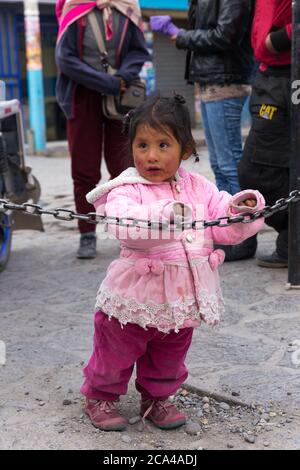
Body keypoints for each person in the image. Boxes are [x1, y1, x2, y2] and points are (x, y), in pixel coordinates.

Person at [80, 94, 265, 432]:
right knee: (114, 353)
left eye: (163, 145)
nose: (151, 155)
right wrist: (166, 216)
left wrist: (239, 210)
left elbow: (221, 221)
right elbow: (126, 225)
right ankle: (101, 395)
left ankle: (158, 397)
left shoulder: (199, 187)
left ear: (184, 148)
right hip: (132, 302)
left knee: (170, 355)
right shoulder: (126, 189)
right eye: (142, 145)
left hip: (182, 301)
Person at [150, 0, 257, 262]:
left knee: (229, 163)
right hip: (209, 81)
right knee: (220, 165)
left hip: (227, 81)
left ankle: (242, 237)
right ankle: (228, 231)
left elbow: (225, 35)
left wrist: (179, 34)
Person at [55, 0, 150, 259]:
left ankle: (126, 230)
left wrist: (123, 77)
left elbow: (138, 51)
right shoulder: (74, 7)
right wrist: (104, 81)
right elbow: (65, 58)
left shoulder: (127, 6)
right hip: (81, 96)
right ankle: (87, 232)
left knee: (123, 169)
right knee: (84, 169)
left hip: (121, 95)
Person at [238, 0, 291, 268]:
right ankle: (291, 240)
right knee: (270, 168)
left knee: (257, 169)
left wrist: (279, 40)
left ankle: (292, 240)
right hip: (268, 75)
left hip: (286, 76)